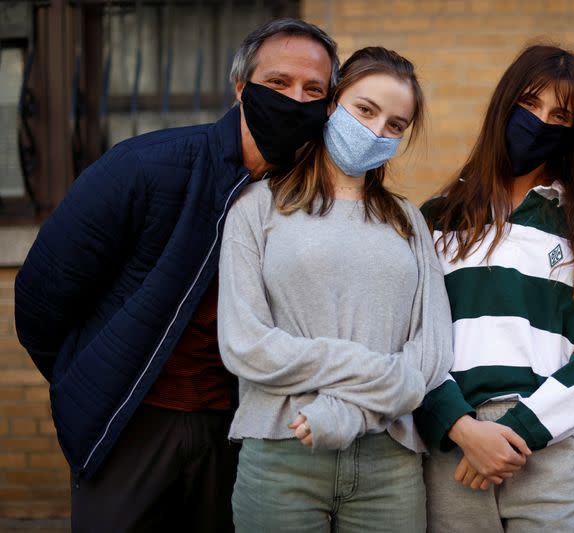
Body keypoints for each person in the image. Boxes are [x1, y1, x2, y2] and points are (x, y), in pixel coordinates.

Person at [14, 18, 338, 532]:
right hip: (132, 425)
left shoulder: (306, 203)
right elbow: (40, 300)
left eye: (312, 90)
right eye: (278, 83)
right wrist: (95, 380)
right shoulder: (146, 167)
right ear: (240, 88)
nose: (294, 99)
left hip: (235, 431)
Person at [217, 46, 452, 533]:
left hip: (389, 463)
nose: (376, 130)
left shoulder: (408, 221)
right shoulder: (256, 208)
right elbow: (245, 345)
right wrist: (376, 373)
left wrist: (346, 414)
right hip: (282, 453)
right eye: (365, 110)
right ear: (331, 105)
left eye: (395, 124)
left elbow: (430, 355)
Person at [414, 44, 574, 533]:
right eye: (529, 104)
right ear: (503, 105)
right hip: (454, 447)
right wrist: (461, 428)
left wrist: (517, 432)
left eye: (560, 115)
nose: (540, 122)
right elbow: (414, 340)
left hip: (553, 451)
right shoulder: (436, 219)